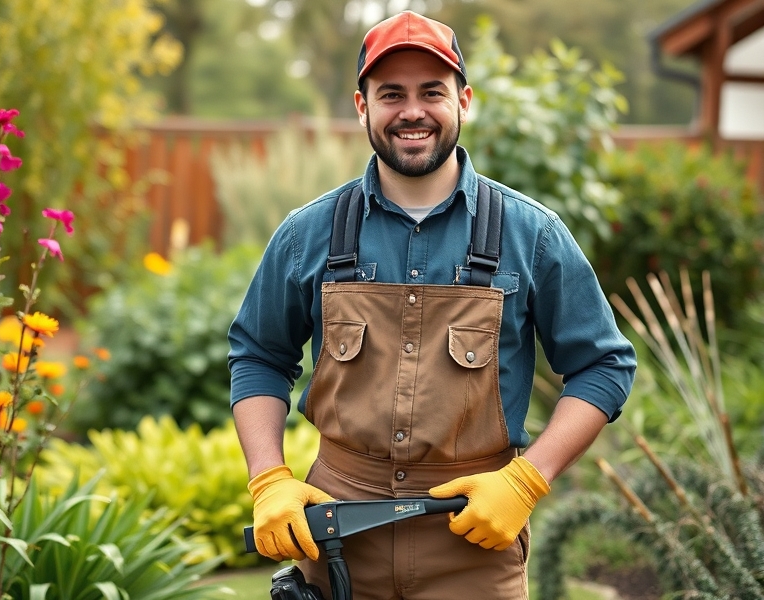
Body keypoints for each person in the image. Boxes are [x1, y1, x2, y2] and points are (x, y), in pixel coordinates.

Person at [228, 10, 636, 600]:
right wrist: (269, 479)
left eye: (432, 92)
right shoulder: (306, 236)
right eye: (391, 93)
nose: (411, 111)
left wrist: (526, 482)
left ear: (464, 101)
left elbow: (604, 366)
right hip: (337, 543)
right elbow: (259, 355)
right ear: (362, 105)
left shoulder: (533, 235)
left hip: (473, 546)